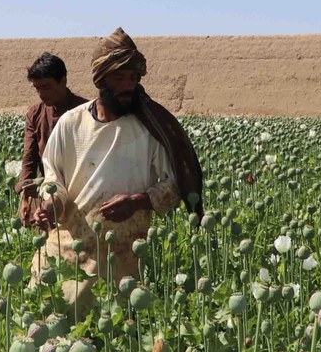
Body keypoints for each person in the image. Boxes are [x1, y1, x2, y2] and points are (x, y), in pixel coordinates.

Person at [31, 28, 203, 315]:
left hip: (119, 256)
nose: (129, 85)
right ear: (101, 79)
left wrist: (138, 201)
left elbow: (175, 186)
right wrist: (51, 204)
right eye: (120, 77)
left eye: (134, 78)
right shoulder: (70, 124)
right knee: (47, 319)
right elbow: (54, 178)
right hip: (66, 246)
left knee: (110, 335)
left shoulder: (148, 130)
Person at [16, 53, 88, 224]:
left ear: (63, 81)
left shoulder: (86, 112)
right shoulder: (35, 114)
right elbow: (29, 157)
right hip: (46, 193)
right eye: (37, 88)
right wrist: (24, 196)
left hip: (80, 193)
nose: (41, 94)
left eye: (46, 87)